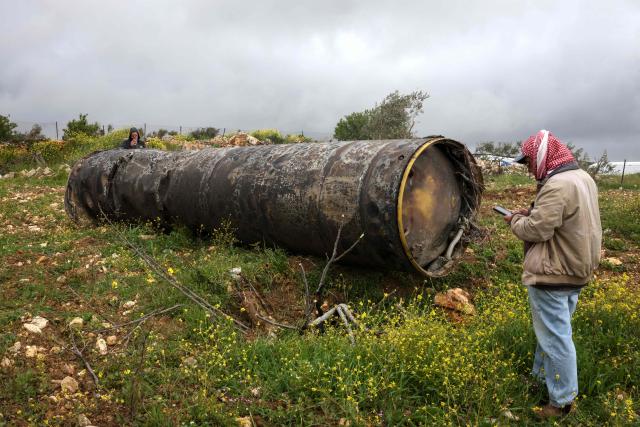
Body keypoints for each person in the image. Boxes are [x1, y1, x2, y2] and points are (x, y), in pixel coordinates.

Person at [504, 130, 601, 418]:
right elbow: (564, 217)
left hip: (554, 271)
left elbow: (537, 230)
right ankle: (541, 379)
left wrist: (515, 221)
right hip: (576, 268)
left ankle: (561, 403)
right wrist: (532, 211)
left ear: (542, 155)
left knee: (556, 337)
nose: (529, 168)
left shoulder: (558, 185)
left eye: (529, 161)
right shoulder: (581, 178)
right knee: (550, 332)